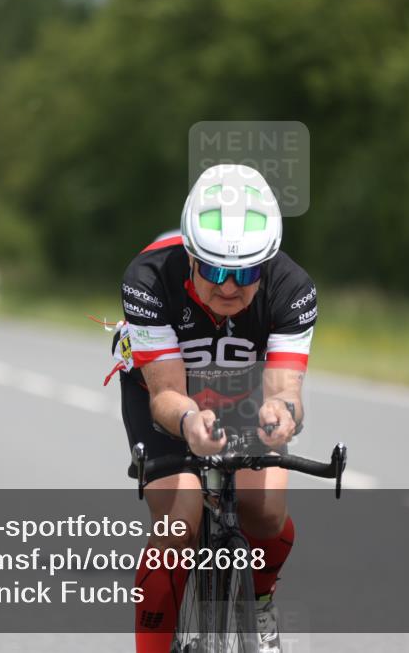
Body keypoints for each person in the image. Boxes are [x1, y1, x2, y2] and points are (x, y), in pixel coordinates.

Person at [111, 164, 317, 653]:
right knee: (179, 519)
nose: (228, 286)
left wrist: (281, 415)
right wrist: (188, 422)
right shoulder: (147, 278)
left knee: (264, 513)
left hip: (245, 394)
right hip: (165, 396)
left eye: (245, 273)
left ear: (266, 264)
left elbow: (287, 391)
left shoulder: (293, 288)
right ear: (189, 254)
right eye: (215, 270)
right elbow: (164, 394)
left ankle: (260, 600)